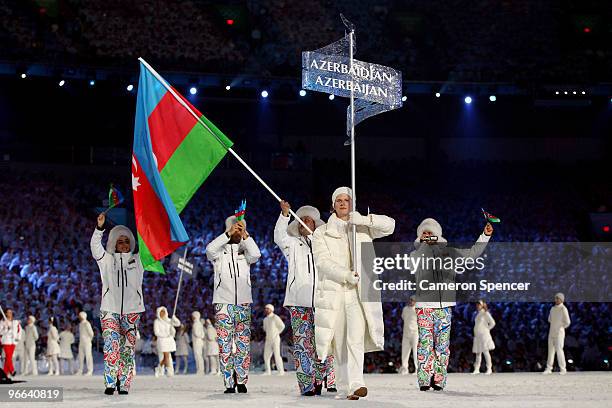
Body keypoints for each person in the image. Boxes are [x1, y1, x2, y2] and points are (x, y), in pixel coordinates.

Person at [312, 187, 395, 400]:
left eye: (346, 200)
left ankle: (357, 384)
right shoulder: (321, 232)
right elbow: (322, 262)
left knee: (355, 338)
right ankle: (343, 387)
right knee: (339, 342)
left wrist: (365, 220)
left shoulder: (362, 227)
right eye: (338, 200)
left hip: (359, 292)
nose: (342, 203)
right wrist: (346, 275)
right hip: (336, 291)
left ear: (352, 203)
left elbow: (390, 226)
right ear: (333, 205)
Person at [411, 218, 493, 391]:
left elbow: (472, 254)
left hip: (444, 307)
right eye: (424, 234)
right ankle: (424, 380)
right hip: (424, 307)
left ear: (438, 235)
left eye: (430, 233)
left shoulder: (451, 253)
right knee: (425, 345)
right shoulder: (415, 254)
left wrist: (485, 236)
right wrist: (425, 245)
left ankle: (439, 379)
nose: (427, 236)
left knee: (442, 346)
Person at [274, 201, 336, 395]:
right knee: (302, 347)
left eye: (309, 220)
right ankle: (307, 385)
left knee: (324, 344)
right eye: (301, 221)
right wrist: (284, 216)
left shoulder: (324, 246)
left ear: (315, 225)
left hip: (322, 301)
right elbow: (279, 237)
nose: (305, 223)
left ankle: (319, 378)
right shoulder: (291, 244)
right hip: (298, 302)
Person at [206, 213, 261, 393]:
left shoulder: (245, 253)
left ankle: (242, 380)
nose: (237, 231)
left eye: (240, 228)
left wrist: (246, 235)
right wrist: (227, 234)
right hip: (223, 303)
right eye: (235, 228)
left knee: (243, 344)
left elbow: (257, 254)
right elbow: (209, 249)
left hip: (244, 303)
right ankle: (229, 382)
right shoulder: (219, 253)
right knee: (225, 345)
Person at [91, 212, 144, 395]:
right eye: (120, 241)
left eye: (126, 241)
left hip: (132, 311)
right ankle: (110, 382)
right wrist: (99, 228)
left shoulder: (139, 260)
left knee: (127, 350)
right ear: (114, 243)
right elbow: (95, 248)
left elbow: (150, 246)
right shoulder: (106, 260)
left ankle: (124, 384)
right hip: (109, 310)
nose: (123, 244)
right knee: (111, 347)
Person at [543, 293, 571, 375]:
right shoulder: (552, 308)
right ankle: (549, 368)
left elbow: (568, 322)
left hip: (559, 333)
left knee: (559, 350)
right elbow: (550, 320)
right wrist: (555, 327)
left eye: (557, 298)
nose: (556, 300)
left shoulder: (563, 309)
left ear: (561, 299)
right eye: (555, 298)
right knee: (550, 351)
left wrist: (561, 328)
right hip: (551, 332)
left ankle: (563, 369)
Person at [153, 306, 181, 377]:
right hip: (162, 341)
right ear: (158, 313)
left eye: (164, 312)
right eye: (161, 312)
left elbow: (178, 324)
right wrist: (166, 334)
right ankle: (163, 370)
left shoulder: (168, 320)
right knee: (165, 356)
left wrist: (174, 318)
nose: (162, 313)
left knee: (168, 357)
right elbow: (156, 332)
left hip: (169, 341)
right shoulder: (156, 321)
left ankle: (166, 370)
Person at [472, 300, 496, 375]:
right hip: (478, 335)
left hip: (484, 335)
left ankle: (489, 368)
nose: (477, 306)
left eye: (479, 304)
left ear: (482, 305)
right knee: (478, 352)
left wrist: (486, 329)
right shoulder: (478, 314)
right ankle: (477, 369)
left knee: (485, 351)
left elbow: (493, 323)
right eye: (477, 304)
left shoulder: (485, 313)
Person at [262, 304, 285, 376]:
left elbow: (282, 326)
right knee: (266, 355)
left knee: (277, 355)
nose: (266, 310)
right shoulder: (265, 319)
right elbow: (265, 329)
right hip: (268, 339)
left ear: (271, 309)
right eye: (265, 308)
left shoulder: (275, 317)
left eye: (267, 308)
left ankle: (281, 371)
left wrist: (277, 333)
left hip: (275, 339)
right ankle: (268, 371)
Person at [0, 308, 22, 377]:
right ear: (5, 313)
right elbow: (0, 332)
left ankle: (5, 373)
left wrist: (18, 338)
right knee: (8, 357)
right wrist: (6, 329)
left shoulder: (16, 322)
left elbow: (19, 330)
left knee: (8, 358)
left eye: (11, 312)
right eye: (8, 312)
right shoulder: (2, 322)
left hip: (13, 341)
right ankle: (12, 370)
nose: (10, 313)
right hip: (6, 341)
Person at [399, 295, 418, 375]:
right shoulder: (405, 309)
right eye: (410, 300)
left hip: (415, 334)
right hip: (406, 333)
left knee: (416, 352)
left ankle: (418, 369)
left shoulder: (417, 309)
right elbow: (403, 318)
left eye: (413, 300)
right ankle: (404, 369)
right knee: (405, 352)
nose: (411, 301)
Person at [76, 311, 94, 376]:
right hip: (81, 343)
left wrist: (89, 340)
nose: (79, 317)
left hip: (87, 343)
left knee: (88, 356)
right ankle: (80, 370)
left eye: (80, 316)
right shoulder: (80, 324)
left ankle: (90, 370)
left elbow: (91, 334)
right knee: (80, 357)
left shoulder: (87, 324)